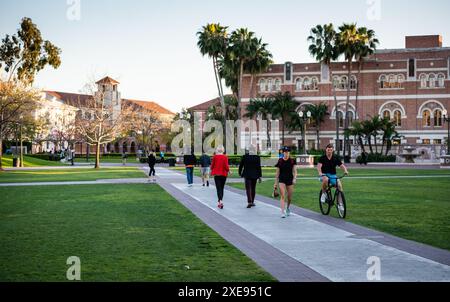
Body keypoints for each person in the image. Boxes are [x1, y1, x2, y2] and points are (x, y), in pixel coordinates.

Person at [317, 144, 349, 213]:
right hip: (324, 174)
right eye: (328, 150)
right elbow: (319, 166)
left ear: (333, 150)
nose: (329, 151)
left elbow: (341, 165)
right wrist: (320, 173)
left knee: (339, 186)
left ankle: (340, 204)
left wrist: (345, 170)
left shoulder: (335, 158)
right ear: (326, 150)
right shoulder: (322, 158)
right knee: (326, 179)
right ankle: (323, 194)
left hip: (333, 175)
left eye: (331, 150)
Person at [274, 146, 297, 218]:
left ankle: (288, 208)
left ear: (289, 153)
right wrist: (275, 183)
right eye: (285, 152)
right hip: (282, 180)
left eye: (288, 152)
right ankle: (282, 211)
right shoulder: (280, 161)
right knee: (283, 195)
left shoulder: (292, 161)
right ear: (283, 153)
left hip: (290, 180)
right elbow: (277, 173)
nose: (286, 154)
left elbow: (295, 171)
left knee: (289, 197)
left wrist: (294, 178)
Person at [211, 145, 230, 210]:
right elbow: (226, 166)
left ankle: (220, 201)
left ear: (217, 150)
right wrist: (229, 171)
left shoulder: (215, 157)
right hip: (223, 174)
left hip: (217, 174)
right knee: (222, 188)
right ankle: (220, 200)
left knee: (218, 188)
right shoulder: (225, 157)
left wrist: (211, 169)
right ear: (223, 150)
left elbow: (212, 166)